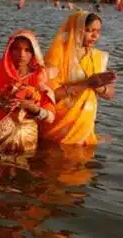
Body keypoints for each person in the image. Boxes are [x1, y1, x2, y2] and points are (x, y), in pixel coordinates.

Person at [0, 30, 55, 155]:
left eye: (27, 50)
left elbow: (50, 117)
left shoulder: (38, 79)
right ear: (9, 50)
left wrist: (32, 108)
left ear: (33, 53)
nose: (22, 54)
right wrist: (0, 104)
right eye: (17, 49)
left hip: (26, 142)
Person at [42, 12, 116, 146]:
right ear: (75, 30)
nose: (95, 36)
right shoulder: (57, 57)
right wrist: (87, 83)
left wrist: (99, 86)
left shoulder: (98, 57)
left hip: (84, 127)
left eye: (98, 31)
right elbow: (48, 96)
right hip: (59, 126)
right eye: (88, 30)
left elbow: (110, 94)